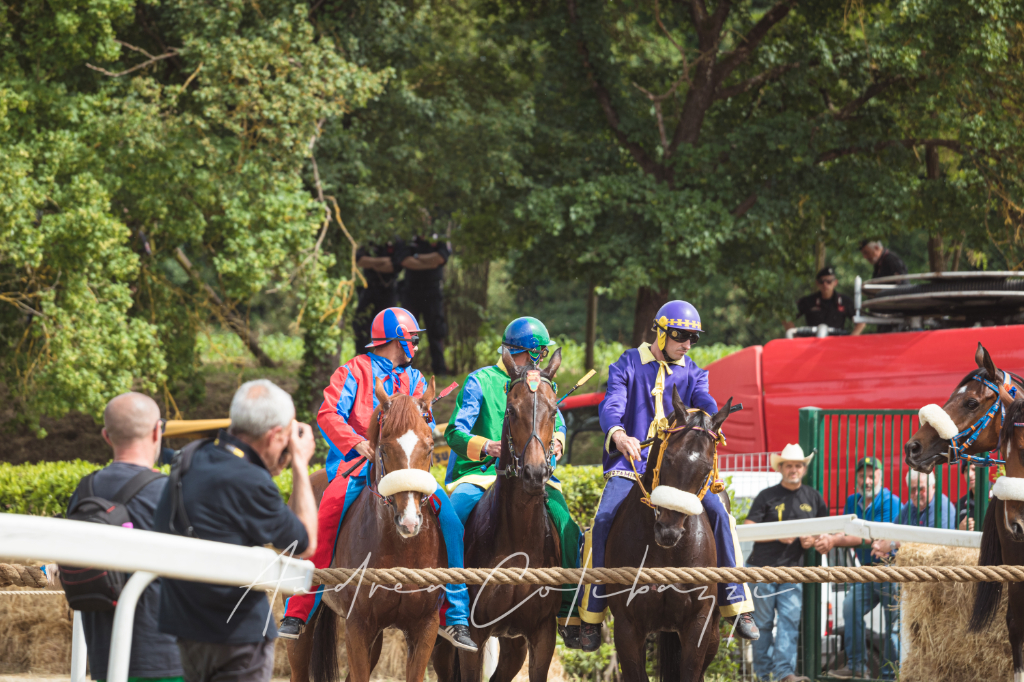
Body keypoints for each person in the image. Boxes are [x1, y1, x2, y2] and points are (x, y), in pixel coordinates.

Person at [279, 307, 477, 652]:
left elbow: (423, 429)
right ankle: (298, 611)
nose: (415, 344)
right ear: (399, 339)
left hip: (407, 468)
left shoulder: (416, 379)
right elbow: (328, 413)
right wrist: (357, 443)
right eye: (412, 338)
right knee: (326, 514)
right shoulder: (353, 370)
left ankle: (455, 616)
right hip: (353, 465)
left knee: (451, 522)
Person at [579, 300, 757, 652]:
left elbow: (704, 400)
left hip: (678, 473)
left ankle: (736, 604)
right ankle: (592, 613)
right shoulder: (627, 363)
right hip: (631, 466)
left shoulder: (694, 372)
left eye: (692, 338)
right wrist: (618, 434)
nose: (687, 344)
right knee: (602, 521)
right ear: (660, 332)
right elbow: (612, 404)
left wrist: (710, 418)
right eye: (680, 335)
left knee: (721, 515)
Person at [154, 380, 318, 682]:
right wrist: (299, 463)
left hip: (185, 631)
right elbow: (303, 543)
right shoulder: (251, 482)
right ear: (275, 435)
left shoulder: (191, 457)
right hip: (237, 639)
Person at [443, 317, 582, 646]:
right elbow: (454, 432)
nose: (538, 365)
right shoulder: (480, 380)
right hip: (479, 474)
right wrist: (486, 446)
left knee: (569, 526)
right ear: (515, 354)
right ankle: (445, 610)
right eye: (534, 358)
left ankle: (569, 611)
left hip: (534, 474)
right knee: (452, 522)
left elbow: (556, 420)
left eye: (542, 359)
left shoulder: (542, 383)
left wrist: (559, 440)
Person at [69, 393, 183, 682]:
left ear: (106, 436)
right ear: (158, 430)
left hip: (105, 656)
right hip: (168, 657)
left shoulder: (83, 493)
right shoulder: (171, 492)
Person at [743, 444, 829, 682]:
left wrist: (814, 539)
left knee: (789, 623)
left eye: (798, 465)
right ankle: (764, 676)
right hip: (762, 569)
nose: (794, 469)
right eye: (789, 465)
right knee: (763, 624)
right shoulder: (766, 495)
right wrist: (777, 534)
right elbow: (748, 530)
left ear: (804, 468)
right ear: (781, 468)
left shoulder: (814, 497)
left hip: (794, 572)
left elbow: (825, 531)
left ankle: (783, 675)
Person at [816, 457, 902, 680]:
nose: (868, 479)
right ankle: (856, 666)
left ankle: (892, 673)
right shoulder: (853, 500)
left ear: (881, 478)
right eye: (863, 475)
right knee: (849, 608)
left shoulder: (890, 501)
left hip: (889, 569)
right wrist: (831, 537)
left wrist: (834, 541)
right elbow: (846, 529)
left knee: (893, 623)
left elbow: (870, 537)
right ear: (857, 479)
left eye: (873, 475)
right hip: (866, 570)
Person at [399, 233, 450, 375]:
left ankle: (440, 371)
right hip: (411, 291)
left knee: (436, 331)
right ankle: (405, 368)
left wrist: (416, 257)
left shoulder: (439, 236)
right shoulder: (408, 236)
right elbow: (404, 261)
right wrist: (429, 261)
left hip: (432, 291)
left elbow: (439, 258)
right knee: (408, 332)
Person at [353, 238, 406, 353]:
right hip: (370, 288)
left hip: (389, 290)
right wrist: (384, 261)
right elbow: (360, 261)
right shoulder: (370, 240)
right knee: (360, 323)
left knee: (387, 328)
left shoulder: (398, 240)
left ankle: (385, 361)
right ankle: (362, 359)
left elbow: (394, 266)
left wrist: (372, 263)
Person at [795, 267, 865, 335]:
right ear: (817, 283)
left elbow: (861, 322)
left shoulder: (844, 301)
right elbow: (787, 317)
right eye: (821, 281)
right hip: (812, 344)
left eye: (829, 281)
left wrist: (850, 340)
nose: (825, 285)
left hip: (837, 343)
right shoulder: (809, 301)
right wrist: (795, 337)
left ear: (835, 282)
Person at [957, 465, 978, 531]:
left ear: (987, 470)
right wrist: (960, 529)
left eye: (974, 469)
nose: (969, 474)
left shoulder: (998, 498)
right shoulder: (960, 503)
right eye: (966, 470)